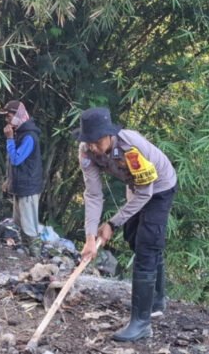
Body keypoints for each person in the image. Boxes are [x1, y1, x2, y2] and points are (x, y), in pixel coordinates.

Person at [74, 107, 177, 342]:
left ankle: (141, 323)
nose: (92, 146)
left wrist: (112, 223)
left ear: (109, 135)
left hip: (159, 188)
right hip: (136, 187)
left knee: (147, 246)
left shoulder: (131, 148)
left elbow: (146, 193)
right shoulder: (86, 152)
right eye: (88, 141)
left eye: (97, 141)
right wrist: (90, 236)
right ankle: (156, 300)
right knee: (133, 238)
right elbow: (93, 195)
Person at [0, 100, 44, 257]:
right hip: (21, 186)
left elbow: (16, 159)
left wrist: (9, 139)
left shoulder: (29, 136)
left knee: (29, 225)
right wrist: (9, 180)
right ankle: (27, 254)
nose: (7, 120)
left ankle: (36, 256)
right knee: (20, 222)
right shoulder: (20, 133)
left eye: (9, 116)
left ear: (18, 116)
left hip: (28, 187)